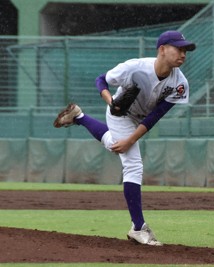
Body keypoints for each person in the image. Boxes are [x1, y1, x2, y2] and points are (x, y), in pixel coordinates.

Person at [53, 30, 196, 245]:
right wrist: (110, 100)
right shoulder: (135, 67)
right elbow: (101, 80)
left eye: (185, 50)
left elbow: (155, 116)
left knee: (115, 144)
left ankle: (79, 116)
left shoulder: (180, 83)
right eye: (179, 48)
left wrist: (130, 140)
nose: (183, 54)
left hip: (139, 120)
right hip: (120, 115)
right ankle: (138, 227)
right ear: (162, 49)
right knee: (134, 166)